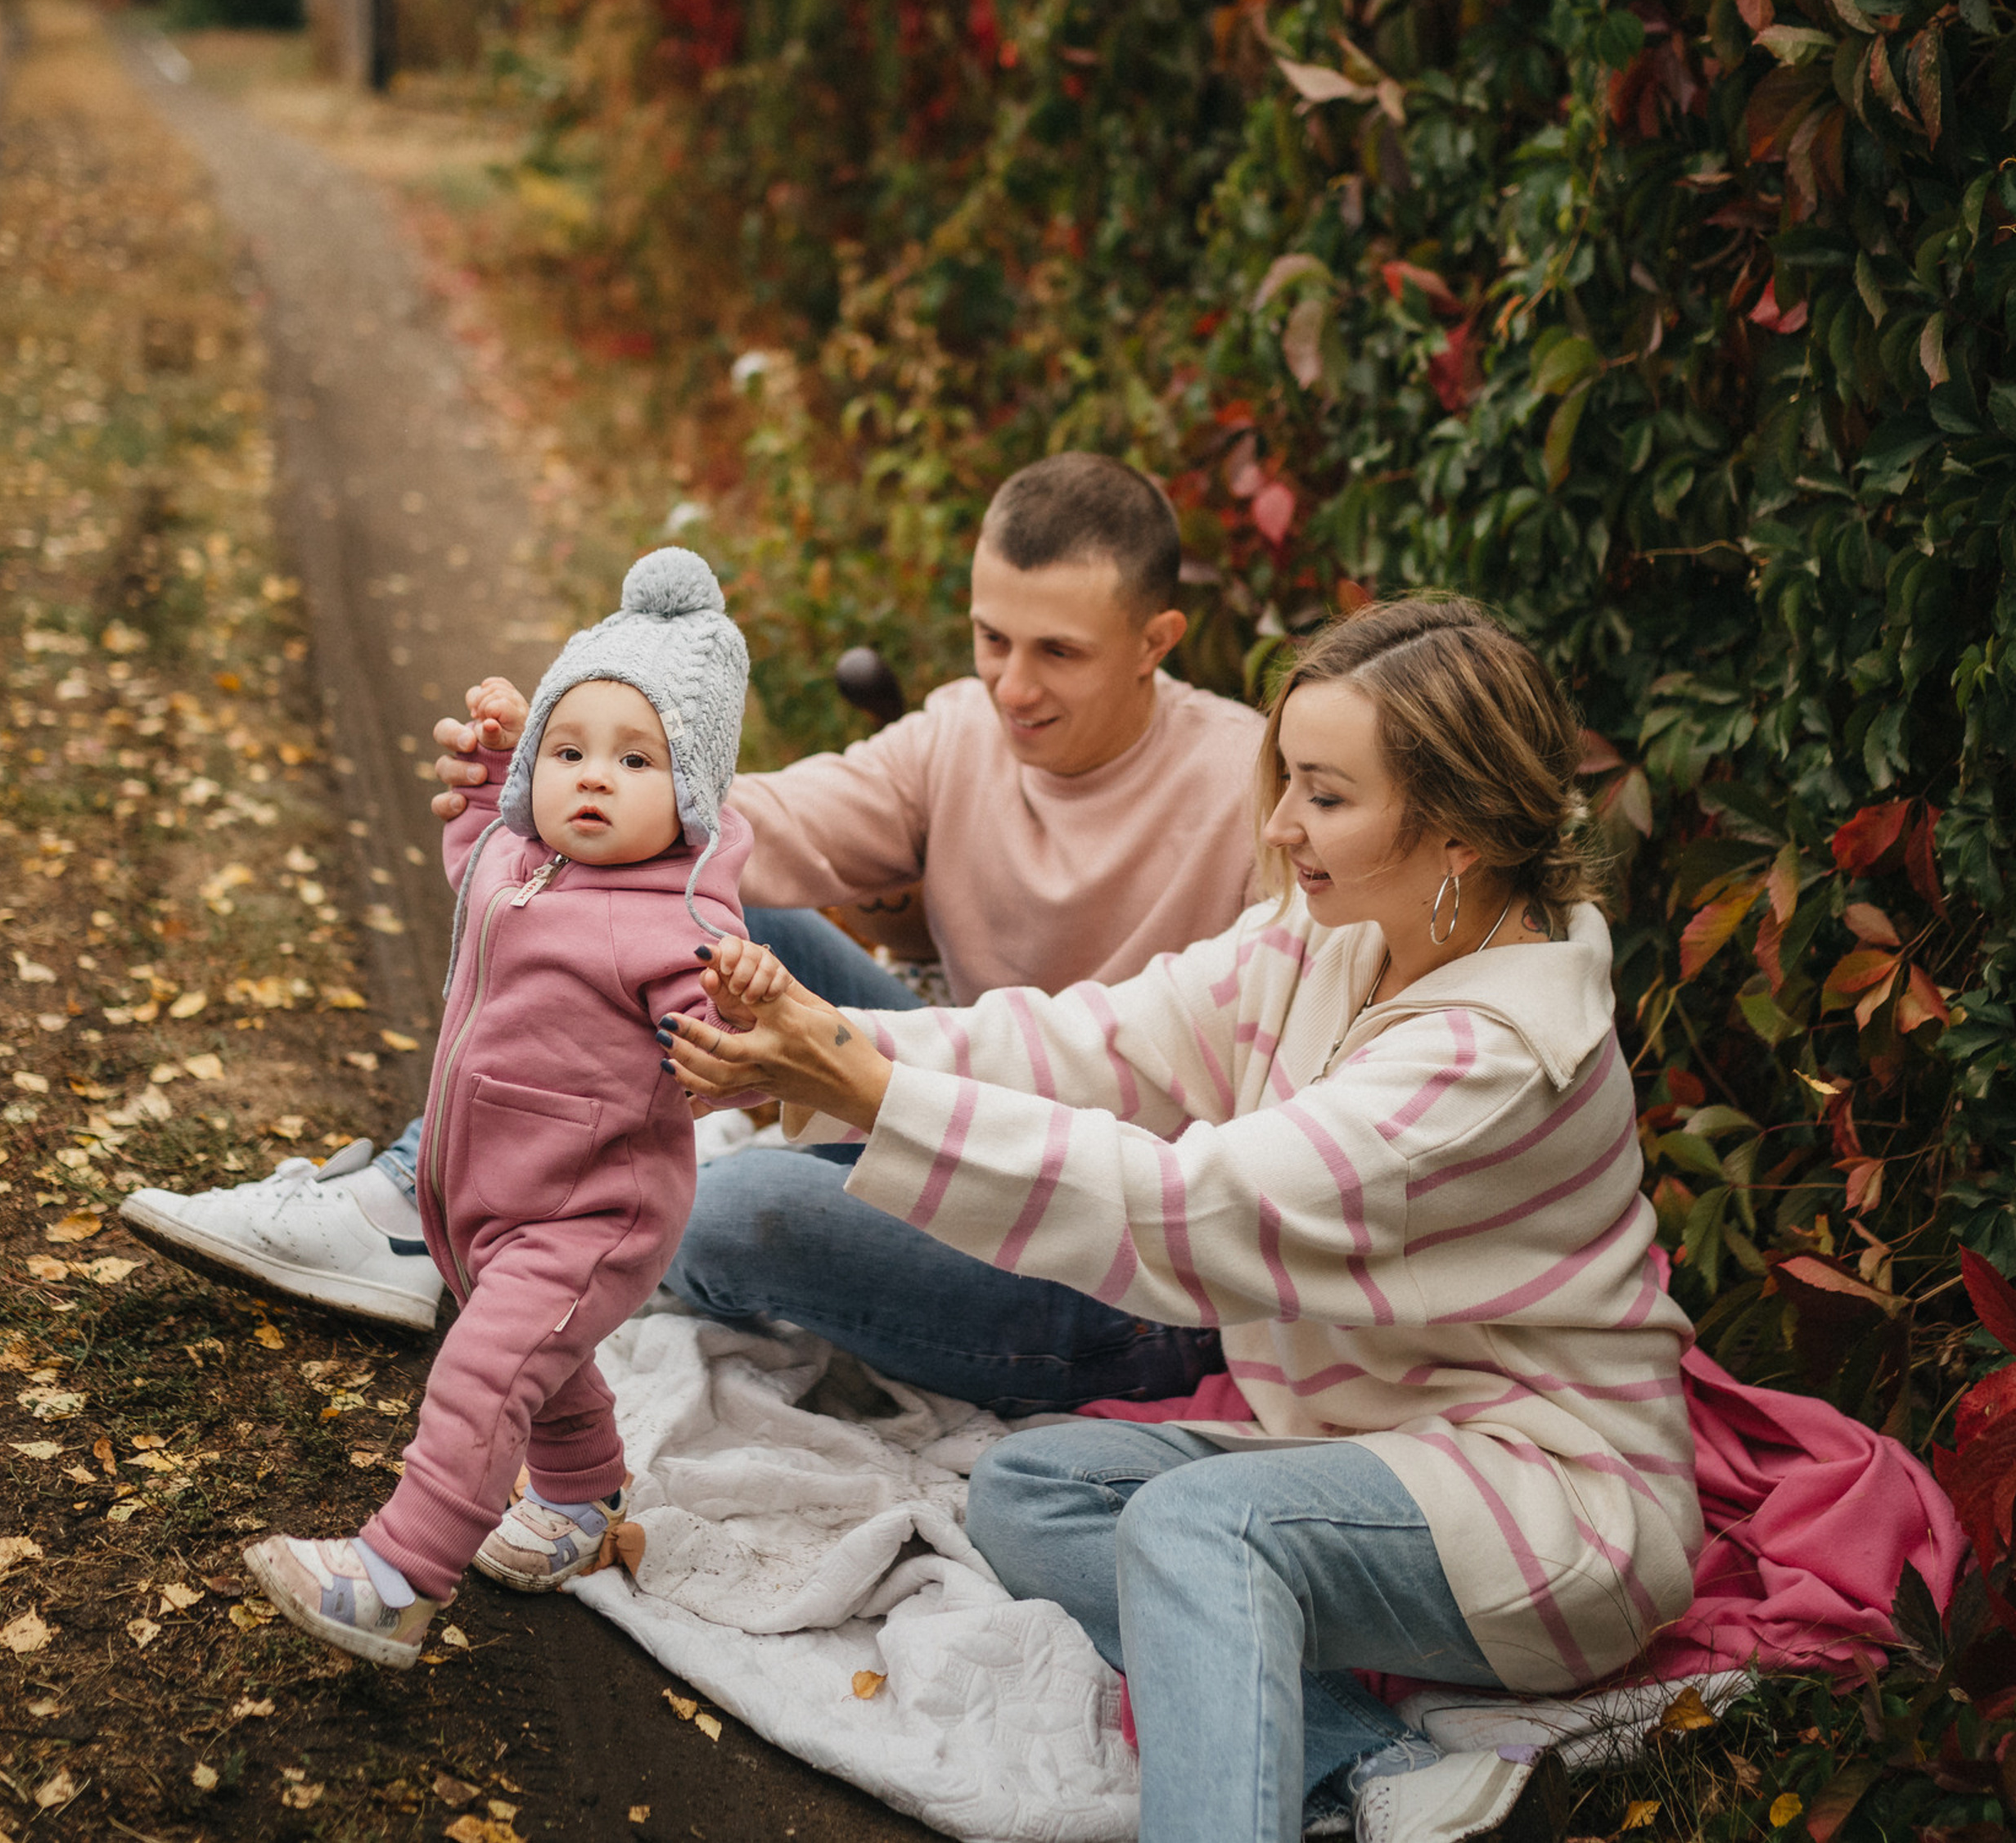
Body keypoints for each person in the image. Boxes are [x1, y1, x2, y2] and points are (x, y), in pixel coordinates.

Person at [658, 596, 1698, 1843]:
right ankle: (1372, 1765)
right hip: (1369, 1444)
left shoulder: (1494, 1060)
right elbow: (1096, 1043)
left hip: (1542, 1503)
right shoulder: (1340, 933)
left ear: (1462, 829)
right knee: (1029, 1491)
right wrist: (830, 1047)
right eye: (1288, 781)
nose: (1278, 825)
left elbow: (1192, 1211)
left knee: (1203, 1524)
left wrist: (874, 1097)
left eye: (1324, 793)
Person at [124, 454, 1265, 1412]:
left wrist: (848, 1057)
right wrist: (579, 776)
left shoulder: (1257, 788)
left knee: (722, 1212)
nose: (1013, 686)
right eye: (989, 638)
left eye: (1057, 652)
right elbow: (747, 825)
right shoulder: (961, 732)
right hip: (939, 1095)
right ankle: (407, 1202)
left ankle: (489, 1217)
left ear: (1157, 639)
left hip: (1104, 1228)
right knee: (701, 898)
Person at [244, 551, 776, 1663]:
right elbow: (471, 848)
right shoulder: (520, 862)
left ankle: (397, 1574)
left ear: (690, 796)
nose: (591, 777)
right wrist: (496, 769)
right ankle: (583, 1503)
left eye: (635, 760)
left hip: (592, 1212)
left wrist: (742, 1017)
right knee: (544, 1363)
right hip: (489, 1191)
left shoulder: (677, 922)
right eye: (568, 750)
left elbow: (734, 1057)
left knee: (483, 1369)